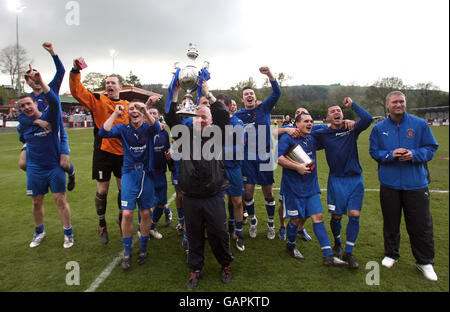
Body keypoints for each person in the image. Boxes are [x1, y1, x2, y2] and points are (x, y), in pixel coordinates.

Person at [166, 82, 234, 290]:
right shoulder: (184, 136)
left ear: (211, 120)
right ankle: (195, 269)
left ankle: (225, 265)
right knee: (194, 235)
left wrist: (206, 93)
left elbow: (223, 115)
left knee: (218, 234)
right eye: (197, 117)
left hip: (213, 195)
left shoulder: (218, 134)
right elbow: (170, 116)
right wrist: (176, 91)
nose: (201, 120)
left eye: (204, 117)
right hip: (191, 196)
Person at [369, 91, 439, 281]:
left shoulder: (420, 124)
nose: (398, 105)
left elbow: (431, 148)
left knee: (421, 225)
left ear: (405, 103)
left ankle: (425, 262)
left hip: (416, 184)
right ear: (388, 105)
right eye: (394, 102)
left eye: (401, 101)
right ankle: (391, 254)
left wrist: (414, 155)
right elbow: (374, 152)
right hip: (389, 184)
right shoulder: (379, 128)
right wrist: (391, 155)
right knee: (391, 222)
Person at [70, 58, 129, 244]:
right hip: (103, 151)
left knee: (123, 189)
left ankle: (121, 218)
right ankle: (101, 223)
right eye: (107, 83)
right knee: (102, 189)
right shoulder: (98, 100)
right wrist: (75, 71)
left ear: (120, 86)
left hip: (122, 153)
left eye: (113, 82)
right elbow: (77, 91)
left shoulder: (127, 105)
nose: (109, 85)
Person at [277, 112, 347, 266]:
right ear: (297, 124)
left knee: (318, 217)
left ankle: (328, 256)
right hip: (293, 188)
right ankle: (290, 245)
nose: (309, 124)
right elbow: (279, 158)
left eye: (311, 121)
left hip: (311, 187)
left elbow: (329, 131)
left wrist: (344, 122)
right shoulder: (288, 138)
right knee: (295, 220)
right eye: (305, 121)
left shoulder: (312, 138)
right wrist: (297, 167)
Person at [311, 97, 372, 269]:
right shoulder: (322, 132)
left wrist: (352, 105)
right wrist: (286, 131)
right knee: (336, 216)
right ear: (327, 118)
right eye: (332, 111)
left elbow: (367, 119)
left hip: (355, 179)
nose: (336, 112)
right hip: (336, 180)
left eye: (339, 110)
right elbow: (304, 129)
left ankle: (349, 252)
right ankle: (337, 242)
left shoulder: (350, 129)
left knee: (354, 214)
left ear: (343, 114)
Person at [98, 100, 160, 270]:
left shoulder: (148, 126)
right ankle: (126, 251)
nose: (135, 110)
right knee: (126, 214)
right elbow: (103, 132)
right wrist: (115, 114)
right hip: (129, 174)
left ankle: (143, 248)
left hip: (146, 175)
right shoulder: (123, 129)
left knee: (146, 212)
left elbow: (158, 129)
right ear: (127, 113)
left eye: (137, 108)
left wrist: (146, 110)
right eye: (131, 108)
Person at [18, 67, 74, 249]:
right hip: (35, 168)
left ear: (35, 103)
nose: (26, 107)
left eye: (29, 104)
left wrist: (41, 80)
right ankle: (39, 231)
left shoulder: (51, 116)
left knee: (60, 199)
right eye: (23, 106)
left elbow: (54, 100)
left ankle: (68, 232)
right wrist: (34, 122)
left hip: (53, 166)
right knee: (36, 201)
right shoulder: (23, 125)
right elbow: (22, 136)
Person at [18, 42, 76, 191]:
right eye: (30, 78)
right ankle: (39, 179)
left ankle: (72, 173)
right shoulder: (28, 100)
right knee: (23, 163)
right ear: (28, 82)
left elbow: (61, 71)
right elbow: (21, 118)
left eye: (35, 76)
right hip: (36, 135)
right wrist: (38, 121)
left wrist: (53, 53)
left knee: (63, 164)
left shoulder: (50, 88)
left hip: (56, 133)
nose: (34, 80)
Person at [234, 66, 281, 239]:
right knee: (248, 191)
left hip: (265, 155)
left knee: (268, 192)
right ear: (242, 99)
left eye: (251, 93)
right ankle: (253, 221)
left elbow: (277, 93)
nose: (249, 95)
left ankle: (271, 224)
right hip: (248, 158)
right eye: (246, 94)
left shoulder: (264, 108)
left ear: (255, 97)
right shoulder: (238, 115)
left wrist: (270, 75)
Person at [216, 93, 246, 252]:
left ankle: (239, 233)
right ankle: (223, 232)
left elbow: (240, 148)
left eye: (221, 105)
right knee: (218, 202)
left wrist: (220, 150)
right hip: (217, 168)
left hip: (233, 168)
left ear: (228, 107)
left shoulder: (237, 123)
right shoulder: (213, 123)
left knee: (237, 202)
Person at [146, 106, 173, 238]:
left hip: (160, 171)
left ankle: (165, 211)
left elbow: (167, 149)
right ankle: (150, 228)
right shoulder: (143, 130)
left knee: (161, 203)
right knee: (148, 203)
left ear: (158, 116)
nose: (152, 114)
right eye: (149, 113)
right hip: (148, 173)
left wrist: (169, 155)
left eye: (154, 113)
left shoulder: (164, 132)